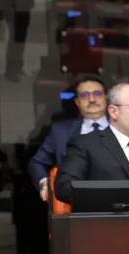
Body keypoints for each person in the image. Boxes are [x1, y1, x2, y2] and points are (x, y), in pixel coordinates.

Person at [28, 74, 109, 202]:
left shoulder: (123, 128)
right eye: (84, 95)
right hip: (73, 203)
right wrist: (44, 183)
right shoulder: (61, 132)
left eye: (97, 93)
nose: (92, 99)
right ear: (77, 102)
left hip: (117, 201)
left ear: (106, 98)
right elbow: (37, 162)